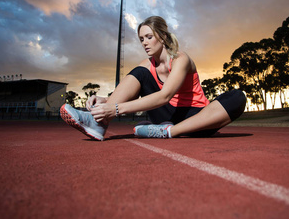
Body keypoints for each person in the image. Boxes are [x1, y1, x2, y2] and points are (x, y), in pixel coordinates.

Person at [60, 16, 246, 141]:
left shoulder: (181, 59)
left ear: (163, 37)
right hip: (166, 114)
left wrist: (114, 109)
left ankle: (168, 131)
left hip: (196, 117)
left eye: (149, 37)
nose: (145, 43)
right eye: (141, 39)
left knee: (238, 97)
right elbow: (134, 91)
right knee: (141, 72)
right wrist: (106, 101)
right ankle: (98, 123)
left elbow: (165, 96)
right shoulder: (147, 65)